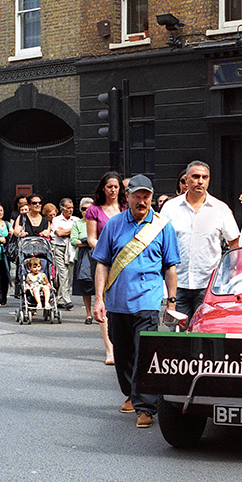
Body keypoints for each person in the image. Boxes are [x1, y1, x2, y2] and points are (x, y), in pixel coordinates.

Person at [93, 174, 180, 428]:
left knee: (145, 353)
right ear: (128, 197)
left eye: (146, 197)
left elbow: (170, 267)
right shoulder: (114, 224)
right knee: (122, 353)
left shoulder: (163, 227)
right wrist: (99, 299)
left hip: (148, 300)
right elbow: (102, 263)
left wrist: (171, 302)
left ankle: (146, 407)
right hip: (117, 301)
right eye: (137, 196)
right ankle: (131, 393)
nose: (142, 201)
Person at [160, 161, 240, 324]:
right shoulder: (170, 207)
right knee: (179, 333)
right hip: (177, 285)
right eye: (196, 177)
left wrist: (231, 272)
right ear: (186, 179)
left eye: (205, 177)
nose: (200, 181)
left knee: (205, 331)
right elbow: (160, 242)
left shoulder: (220, 209)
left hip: (209, 285)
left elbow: (234, 243)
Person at [87, 172, 126, 365]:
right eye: (109, 186)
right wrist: (107, 250)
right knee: (104, 302)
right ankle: (110, 349)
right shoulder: (94, 210)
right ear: (103, 188)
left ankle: (123, 345)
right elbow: (91, 238)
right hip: (104, 261)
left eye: (116, 187)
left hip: (125, 261)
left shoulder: (126, 208)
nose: (113, 190)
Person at [51, 198, 78, 310]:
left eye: (72, 208)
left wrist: (66, 231)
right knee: (63, 273)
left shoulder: (76, 220)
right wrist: (72, 230)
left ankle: (60, 298)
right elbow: (59, 233)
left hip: (71, 249)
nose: (70, 210)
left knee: (69, 274)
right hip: (59, 248)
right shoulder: (56, 220)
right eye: (68, 208)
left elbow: (78, 233)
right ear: (62, 209)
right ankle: (67, 300)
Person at [71, 197, 95, 325]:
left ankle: (101, 312)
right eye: (84, 209)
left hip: (97, 255)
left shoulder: (97, 222)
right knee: (86, 286)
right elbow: (74, 241)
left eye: (89, 209)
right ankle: (88, 314)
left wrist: (87, 241)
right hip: (82, 257)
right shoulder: (77, 223)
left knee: (101, 286)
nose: (86, 211)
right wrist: (88, 242)